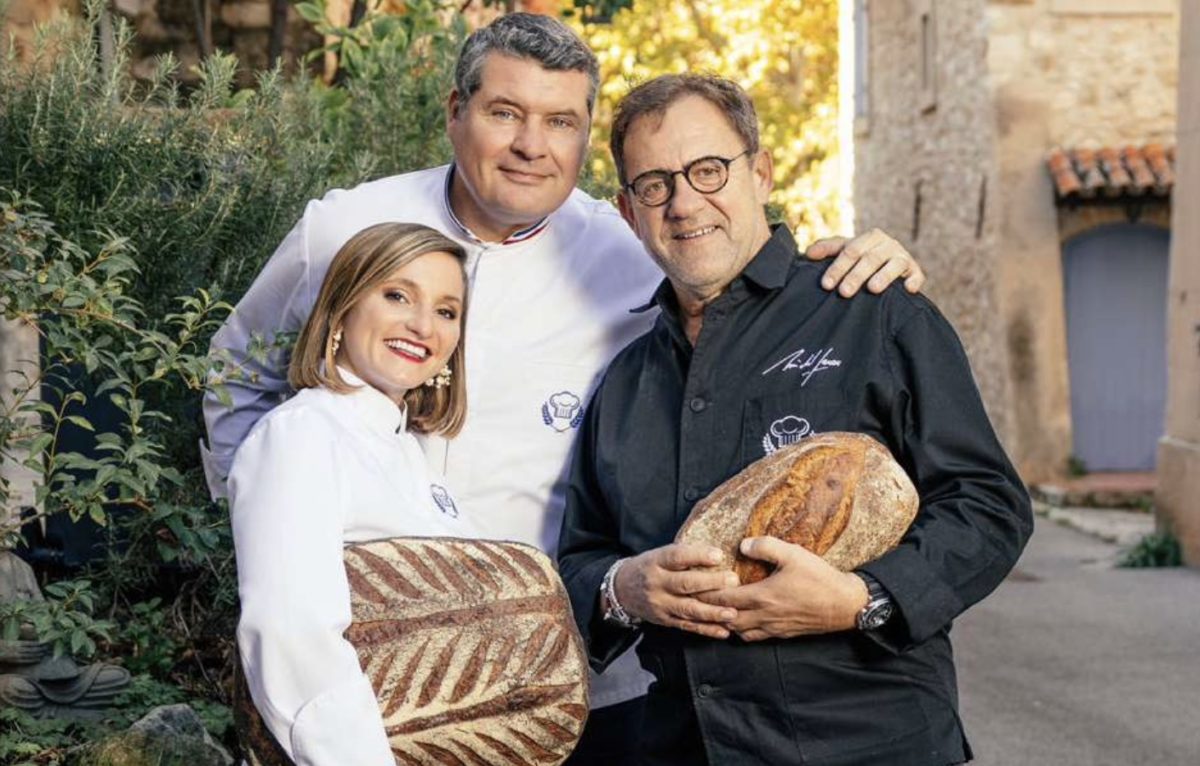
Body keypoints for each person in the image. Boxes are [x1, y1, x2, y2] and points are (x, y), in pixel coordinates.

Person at [203, 14, 927, 763]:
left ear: (584, 140)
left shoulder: (632, 249)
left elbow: (740, 269)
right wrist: (272, 522)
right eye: (504, 113)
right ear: (456, 112)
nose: (531, 146)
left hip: (572, 679)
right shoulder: (343, 227)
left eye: (561, 122)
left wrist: (855, 262)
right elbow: (237, 372)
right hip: (365, 674)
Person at [556, 74, 1033, 766]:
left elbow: (990, 506)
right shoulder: (626, 383)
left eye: (708, 170)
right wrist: (623, 588)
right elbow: (580, 556)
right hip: (682, 748)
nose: (685, 203)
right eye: (655, 185)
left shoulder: (871, 308)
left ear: (762, 174)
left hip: (870, 745)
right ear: (629, 213)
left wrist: (860, 600)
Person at [229, 223, 475, 764]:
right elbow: (291, 634)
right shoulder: (302, 435)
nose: (422, 325)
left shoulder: (408, 450)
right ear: (342, 308)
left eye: (446, 311)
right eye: (397, 295)